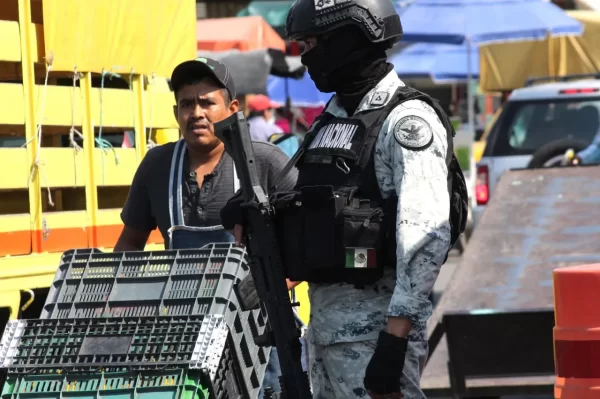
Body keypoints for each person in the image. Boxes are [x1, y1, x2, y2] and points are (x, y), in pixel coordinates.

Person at [222, 1, 468, 398]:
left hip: (376, 340)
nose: (305, 56)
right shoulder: (330, 120)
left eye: (312, 42)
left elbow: (425, 240)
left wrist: (394, 339)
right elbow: (322, 220)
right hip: (324, 339)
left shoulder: (405, 122)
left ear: (349, 38)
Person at [113, 57, 302, 395]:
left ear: (231, 108)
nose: (196, 112)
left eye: (206, 102)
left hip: (258, 334)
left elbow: (310, 243)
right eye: (186, 103)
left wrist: (267, 287)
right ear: (176, 113)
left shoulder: (266, 162)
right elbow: (129, 244)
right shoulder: (157, 167)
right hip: (185, 336)